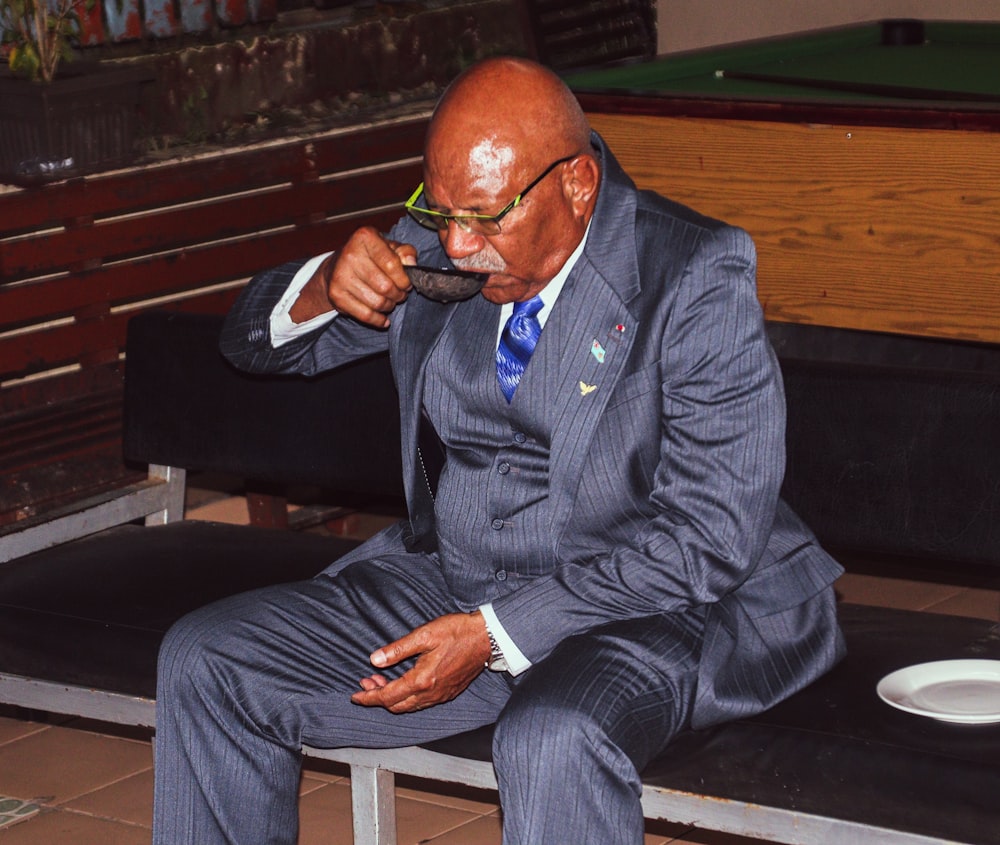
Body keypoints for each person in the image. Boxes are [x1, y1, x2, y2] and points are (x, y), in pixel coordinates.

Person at [153, 57, 845, 844]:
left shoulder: (692, 274)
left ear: (578, 184)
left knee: (550, 738)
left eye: (485, 216)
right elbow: (249, 343)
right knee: (207, 660)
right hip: (457, 578)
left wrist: (493, 634)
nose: (457, 241)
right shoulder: (444, 246)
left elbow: (707, 538)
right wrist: (323, 287)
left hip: (656, 604)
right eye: (438, 210)